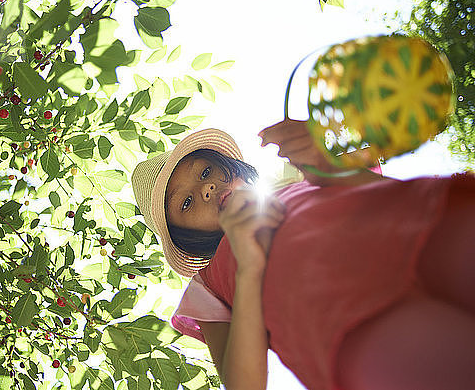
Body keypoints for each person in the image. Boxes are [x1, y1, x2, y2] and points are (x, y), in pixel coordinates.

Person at [130, 119, 475, 390]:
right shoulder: (206, 287)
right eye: (186, 203)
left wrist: (325, 161)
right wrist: (249, 267)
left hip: (423, 234)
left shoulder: (301, 181)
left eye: (205, 172)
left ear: (229, 166)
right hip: (355, 329)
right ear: (185, 237)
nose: (205, 189)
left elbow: (379, 197)